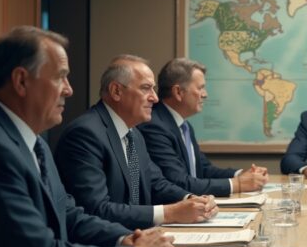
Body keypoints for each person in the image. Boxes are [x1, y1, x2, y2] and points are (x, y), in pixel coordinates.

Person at [0, 26, 174, 247]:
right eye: (60, 77)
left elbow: (69, 215)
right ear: (21, 81)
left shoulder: (34, 140)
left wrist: (127, 239)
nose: (69, 90)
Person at [55, 55, 218, 230]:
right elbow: (96, 209)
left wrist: (192, 200)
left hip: (141, 237)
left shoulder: (134, 133)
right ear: (116, 91)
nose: (155, 98)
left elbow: (156, 184)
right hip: (107, 245)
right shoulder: (85, 134)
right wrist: (170, 213)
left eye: (154, 89)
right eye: (146, 88)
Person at [139, 58, 268, 196]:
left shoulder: (184, 126)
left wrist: (241, 174)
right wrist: (238, 184)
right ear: (178, 92)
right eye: (200, 88)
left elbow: (204, 170)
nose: (205, 94)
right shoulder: (154, 126)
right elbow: (179, 181)